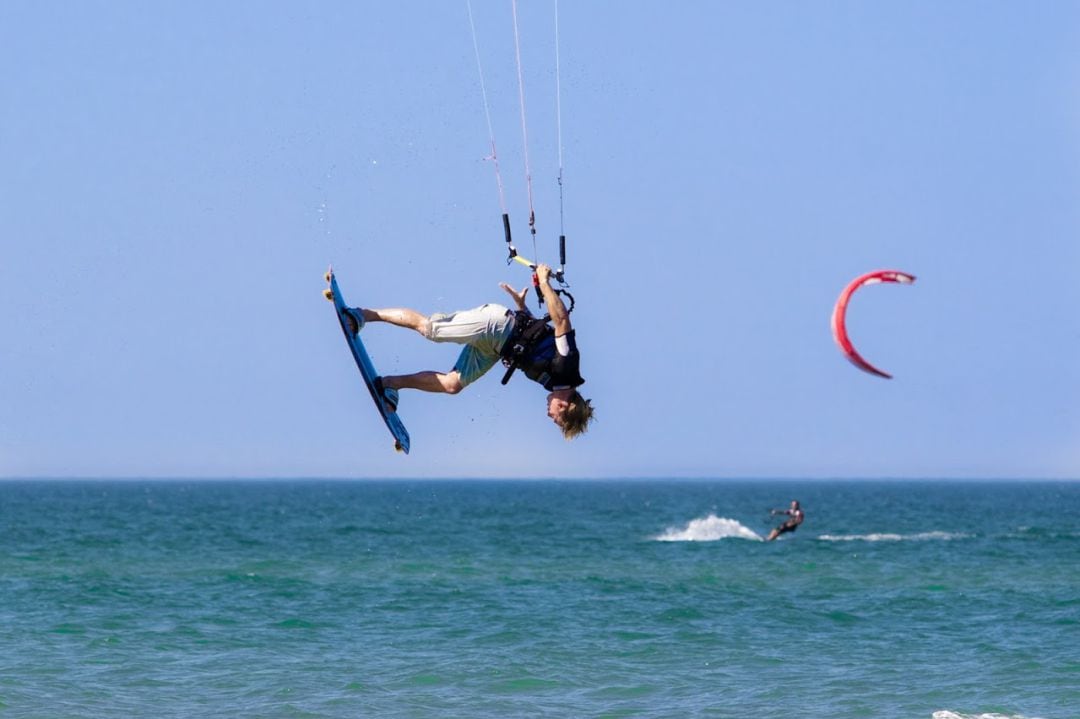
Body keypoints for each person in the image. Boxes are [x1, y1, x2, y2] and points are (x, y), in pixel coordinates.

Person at [341, 263, 594, 439]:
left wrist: (521, 305)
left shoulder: (554, 383)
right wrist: (546, 283)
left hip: (498, 347)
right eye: (557, 420)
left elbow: (535, 339)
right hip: (495, 325)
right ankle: (362, 315)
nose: (550, 418)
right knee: (429, 329)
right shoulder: (567, 367)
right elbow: (561, 321)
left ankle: (390, 385)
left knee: (453, 384)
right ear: (566, 407)